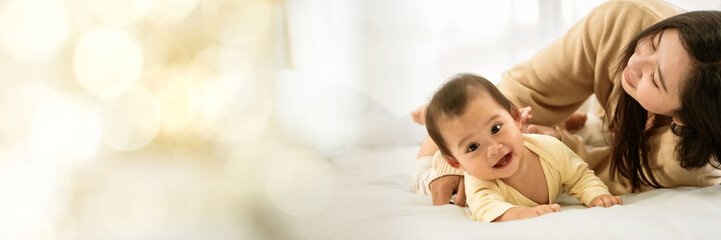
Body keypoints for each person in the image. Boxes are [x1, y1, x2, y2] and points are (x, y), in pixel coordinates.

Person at [413, 0, 721, 206]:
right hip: (596, 111)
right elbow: (513, 97)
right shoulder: (622, 21)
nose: (636, 62)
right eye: (652, 43)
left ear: (683, 119)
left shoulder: (692, 158)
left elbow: (613, 173)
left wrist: (560, 145)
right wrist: (447, 154)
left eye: (654, 79)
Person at [422, 73, 622, 222]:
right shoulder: (480, 182)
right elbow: (487, 209)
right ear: (457, 163)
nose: (493, 149)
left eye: (496, 128)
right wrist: (520, 213)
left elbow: (578, 175)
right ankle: (423, 128)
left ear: (516, 118)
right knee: (421, 177)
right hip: (443, 184)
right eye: (473, 146)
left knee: (563, 135)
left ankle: (567, 123)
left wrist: (596, 194)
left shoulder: (549, 148)